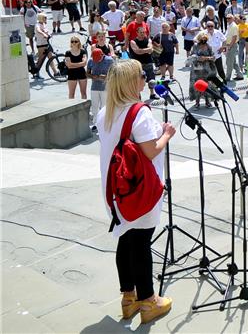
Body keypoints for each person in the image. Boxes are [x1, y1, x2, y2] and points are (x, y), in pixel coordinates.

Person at [96, 59, 175, 324]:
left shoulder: (105, 111)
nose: (146, 78)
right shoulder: (140, 113)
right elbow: (151, 150)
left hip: (115, 191)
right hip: (139, 192)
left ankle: (128, 298)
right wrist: (166, 132)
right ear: (132, 82)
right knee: (141, 243)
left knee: (125, 239)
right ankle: (149, 301)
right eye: (143, 75)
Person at [87, 47, 114, 132]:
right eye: (95, 59)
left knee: (104, 107)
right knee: (94, 106)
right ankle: (95, 124)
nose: (97, 61)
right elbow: (87, 73)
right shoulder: (91, 61)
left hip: (106, 87)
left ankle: (104, 124)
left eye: (98, 59)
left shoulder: (109, 60)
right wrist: (92, 76)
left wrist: (105, 77)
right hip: (94, 87)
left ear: (102, 55)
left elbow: (114, 73)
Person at [188, 31, 217, 108]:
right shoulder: (195, 46)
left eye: (205, 39)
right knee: (197, 85)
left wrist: (207, 58)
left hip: (207, 69)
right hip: (197, 70)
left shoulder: (208, 46)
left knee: (207, 85)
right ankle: (197, 102)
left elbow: (214, 57)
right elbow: (191, 57)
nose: (203, 41)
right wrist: (198, 58)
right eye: (202, 39)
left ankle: (207, 101)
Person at [65, 34, 88, 99]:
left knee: (83, 93)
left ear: (79, 42)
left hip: (81, 73)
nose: (74, 43)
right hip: (71, 74)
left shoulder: (82, 51)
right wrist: (80, 65)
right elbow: (69, 65)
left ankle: (84, 108)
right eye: (72, 41)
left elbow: (85, 63)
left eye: (75, 41)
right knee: (71, 94)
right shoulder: (68, 52)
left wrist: (72, 64)